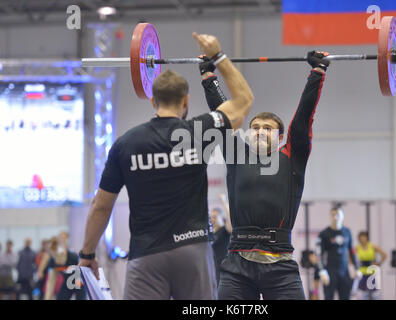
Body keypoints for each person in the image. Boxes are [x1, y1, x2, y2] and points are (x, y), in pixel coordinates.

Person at [78, 32, 254, 300]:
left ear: (152, 100)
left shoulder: (126, 144)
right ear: (185, 101)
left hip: (146, 256)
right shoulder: (199, 131)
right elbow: (243, 102)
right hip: (192, 251)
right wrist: (218, 55)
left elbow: (101, 206)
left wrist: (87, 254)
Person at [199, 51, 329, 299]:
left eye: (267, 129)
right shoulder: (237, 155)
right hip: (236, 265)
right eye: (255, 128)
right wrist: (208, 76)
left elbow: (303, 118)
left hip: (280, 266)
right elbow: (223, 116)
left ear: (280, 138)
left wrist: (317, 73)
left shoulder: (292, 157)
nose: (259, 132)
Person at [315, 207, 361, 300]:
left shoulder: (347, 232)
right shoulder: (324, 233)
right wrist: (322, 272)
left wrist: (356, 268)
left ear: (342, 216)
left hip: (344, 272)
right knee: (328, 297)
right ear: (330, 216)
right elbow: (319, 254)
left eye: (338, 215)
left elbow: (352, 251)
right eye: (333, 215)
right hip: (330, 272)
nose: (335, 217)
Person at [355, 231, 387, 300]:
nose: (363, 239)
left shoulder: (372, 246)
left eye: (364, 237)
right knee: (363, 295)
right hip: (362, 273)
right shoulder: (357, 248)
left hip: (372, 273)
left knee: (375, 294)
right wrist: (355, 266)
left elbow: (384, 255)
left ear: (366, 238)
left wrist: (378, 263)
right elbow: (349, 256)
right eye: (361, 238)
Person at [210, 194, 233, 286]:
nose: (212, 219)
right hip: (212, 270)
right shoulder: (209, 233)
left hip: (223, 271)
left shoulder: (224, 231)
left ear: (221, 218)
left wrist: (224, 202)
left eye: (215, 217)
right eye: (211, 217)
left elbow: (231, 223)